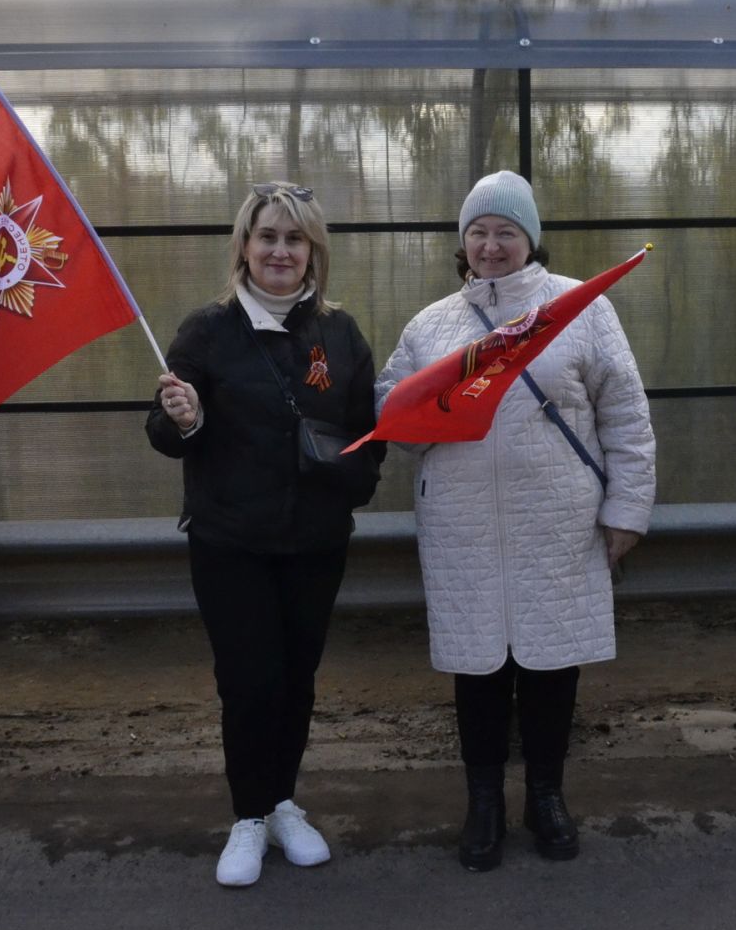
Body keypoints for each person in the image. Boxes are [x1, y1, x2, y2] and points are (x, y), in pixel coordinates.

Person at [377, 170, 656, 872]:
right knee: (477, 672)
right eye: (479, 233)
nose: (491, 246)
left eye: (506, 232)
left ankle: (546, 796)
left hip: (557, 524)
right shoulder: (429, 325)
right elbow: (400, 422)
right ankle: (483, 803)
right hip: (462, 530)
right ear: (462, 244)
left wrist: (627, 509)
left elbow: (625, 411)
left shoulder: (579, 308)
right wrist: (390, 410)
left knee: (551, 667)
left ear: (531, 239)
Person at [146, 182, 383, 888]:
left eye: (294, 239)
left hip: (315, 545)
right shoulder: (205, 331)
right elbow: (163, 433)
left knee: (296, 681)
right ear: (244, 248)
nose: (280, 251)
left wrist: (350, 485)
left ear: (314, 253)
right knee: (250, 683)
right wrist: (185, 418)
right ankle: (248, 817)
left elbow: (369, 433)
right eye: (267, 237)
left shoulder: (340, 334)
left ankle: (283, 802)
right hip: (230, 544)